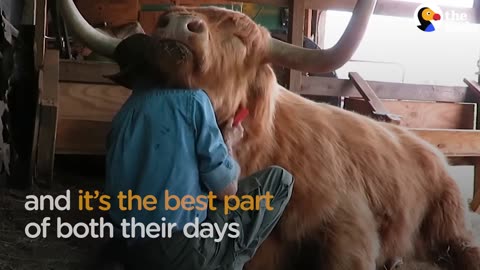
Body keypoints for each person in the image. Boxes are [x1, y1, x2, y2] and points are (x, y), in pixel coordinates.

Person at [100, 34, 294, 270]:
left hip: (132, 250)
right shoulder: (193, 102)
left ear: (130, 78)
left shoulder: (120, 119)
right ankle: (229, 264)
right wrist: (228, 142)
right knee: (280, 181)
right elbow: (227, 190)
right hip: (182, 250)